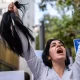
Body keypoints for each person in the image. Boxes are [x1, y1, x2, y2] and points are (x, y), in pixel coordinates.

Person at [7, 2, 80, 80]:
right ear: (48, 56)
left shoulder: (76, 69)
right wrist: (16, 17)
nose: (59, 45)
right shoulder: (41, 72)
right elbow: (27, 51)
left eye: (61, 44)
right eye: (53, 45)